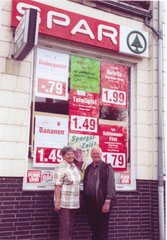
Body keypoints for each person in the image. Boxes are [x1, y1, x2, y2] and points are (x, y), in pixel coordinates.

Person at [83, 147, 116, 240]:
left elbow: (111, 186)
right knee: (94, 229)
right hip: (90, 204)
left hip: (102, 203)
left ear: (101, 154)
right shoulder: (88, 168)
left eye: (97, 153)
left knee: (102, 230)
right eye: (93, 153)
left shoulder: (107, 167)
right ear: (91, 155)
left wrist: (107, 202)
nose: (95, 155)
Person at [54, 146, 81, 240]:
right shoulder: (60, 167)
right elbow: (57, 186)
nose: (71, 156)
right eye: (68, 154)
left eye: (72, 154)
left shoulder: (74, 167)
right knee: (65, 227)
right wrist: (57, 202)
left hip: (74, 203)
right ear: (63, 156)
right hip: (64, 203)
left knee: (70, 227)